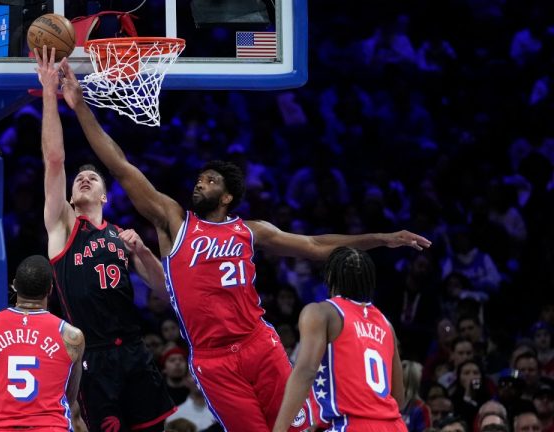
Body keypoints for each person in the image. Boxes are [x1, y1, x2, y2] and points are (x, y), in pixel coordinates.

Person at [51, 53, 431, 431]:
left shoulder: (251, 230)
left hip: (259, 345)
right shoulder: (174, 221)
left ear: (228, 196)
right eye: (200, 179)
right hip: (213, 360)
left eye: (211, 181)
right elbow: (120, 165)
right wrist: (80, 104)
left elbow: (315, 245)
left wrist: (381, 238)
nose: (201, 183)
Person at [35, 47, 176, 432]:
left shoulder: (121, 236)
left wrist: (144, 252)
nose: (85, 176)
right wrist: (51, 93)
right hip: (93, 357)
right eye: (80, 177)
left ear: (104, 197)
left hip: (134, 350)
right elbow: (54, 159)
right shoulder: (62, 227)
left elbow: (165, 294)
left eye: (93, 177)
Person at [273, 247, 407, 431]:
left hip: (349, 425)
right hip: (393, 426)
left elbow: (306, 372)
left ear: (330, 278)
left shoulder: (321, 312)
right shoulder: (386, 325)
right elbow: (398, 398)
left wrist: (279, 429)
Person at [0, 255, 85, 431]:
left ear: (15, 285)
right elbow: (69, 400)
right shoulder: (72, 336)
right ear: (50, 289)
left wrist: (0, 404)